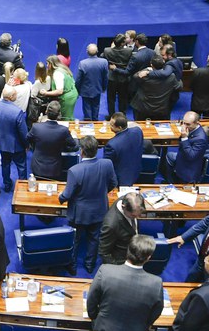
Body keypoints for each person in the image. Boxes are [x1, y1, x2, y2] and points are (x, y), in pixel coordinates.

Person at [86, 234, 164, 331]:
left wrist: (95, 317)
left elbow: (92, 301)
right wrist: (143, 326)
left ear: (128, 251)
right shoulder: (156, 283)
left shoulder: (105, 271)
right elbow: (156, 312)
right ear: (148, 257)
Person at [58, 136, 117, 275]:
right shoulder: (107, 164)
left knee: (75, 239)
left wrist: (60, 197)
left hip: (79, 213)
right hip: (99, 209)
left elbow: (67, 195)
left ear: (82, 151)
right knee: (94, 238)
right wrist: (102, 192)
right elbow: (114, 183)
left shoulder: (74, 170)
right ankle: (90, 265)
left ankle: (72, 266)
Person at [0, 86, 27, 192]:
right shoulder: (17, 112)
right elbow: (23, 133)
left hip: (1, 142)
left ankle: (7, 184)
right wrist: (27, 145)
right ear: (11, 97)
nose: (17, 95)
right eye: (15, 94)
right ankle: (23, 187)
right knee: (21, 166)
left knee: (5, 164)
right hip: (16, 145)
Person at [29, 101, 79, 180]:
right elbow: (74, 145)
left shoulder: (36, 127)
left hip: (37, 167)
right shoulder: (63, 130)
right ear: (59, 114)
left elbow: (28, 139)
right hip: (54, 168)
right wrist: (75, 136)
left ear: (46, 111)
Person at [98, 192, 145, 265]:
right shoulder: (110, 225)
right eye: (133, 215)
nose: (137, 217)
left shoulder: (126, 199)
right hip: (121, 260)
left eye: (139, 214)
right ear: (123, 207)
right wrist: (117, 268)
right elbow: (103, 252)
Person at [131, 54, 181, 120]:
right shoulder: (171, 77)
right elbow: (179, 86)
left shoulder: (144, 77)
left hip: (143, 109)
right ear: (164, 63)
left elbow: (135, 76)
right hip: (162, 109)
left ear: (151, 65)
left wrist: (147, 70)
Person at [167, 111, 209, 184]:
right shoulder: (191, 129)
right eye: (183, 123)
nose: (184, 126)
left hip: (188, 172)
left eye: (188, 124)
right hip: (181, 162)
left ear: (197, 123)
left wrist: (184, 138)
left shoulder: (201, 138)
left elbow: (191, 156)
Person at [103, 111, 144, 186]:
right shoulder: (137, 131)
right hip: (136, 170)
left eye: (111, 125)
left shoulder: (112, 145)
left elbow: (107, 165)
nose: (109, 126)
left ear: (119, 128)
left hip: (122, 179)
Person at [75, 44, 108, 121]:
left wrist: (77, 90)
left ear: (87, 52)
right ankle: (95, 121)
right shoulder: (104, 62)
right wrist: (104, 88)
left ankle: (88, 123)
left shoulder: (83, 63)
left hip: (85, 91)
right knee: (96, 107)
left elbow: (78, 79)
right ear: (97, 51)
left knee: (87, 109)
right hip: (97, 89)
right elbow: (105, 77)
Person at [40, 54, 78, 120]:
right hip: (72, 93)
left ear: (51, 64)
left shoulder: (57, 73)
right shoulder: (63, 69)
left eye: (47, 63)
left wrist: (46, 93)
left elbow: (60, 91)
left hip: (67, 99)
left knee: (66, 117)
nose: (47, 65)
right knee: (69, 115)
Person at [103, 33, 133, 116]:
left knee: (111, 98)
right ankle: (122, 115)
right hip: (123, 78)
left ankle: (111, 115)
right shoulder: (129, 51)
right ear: (122, 43)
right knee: (123, 98)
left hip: (112, 77)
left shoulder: (107, 50)